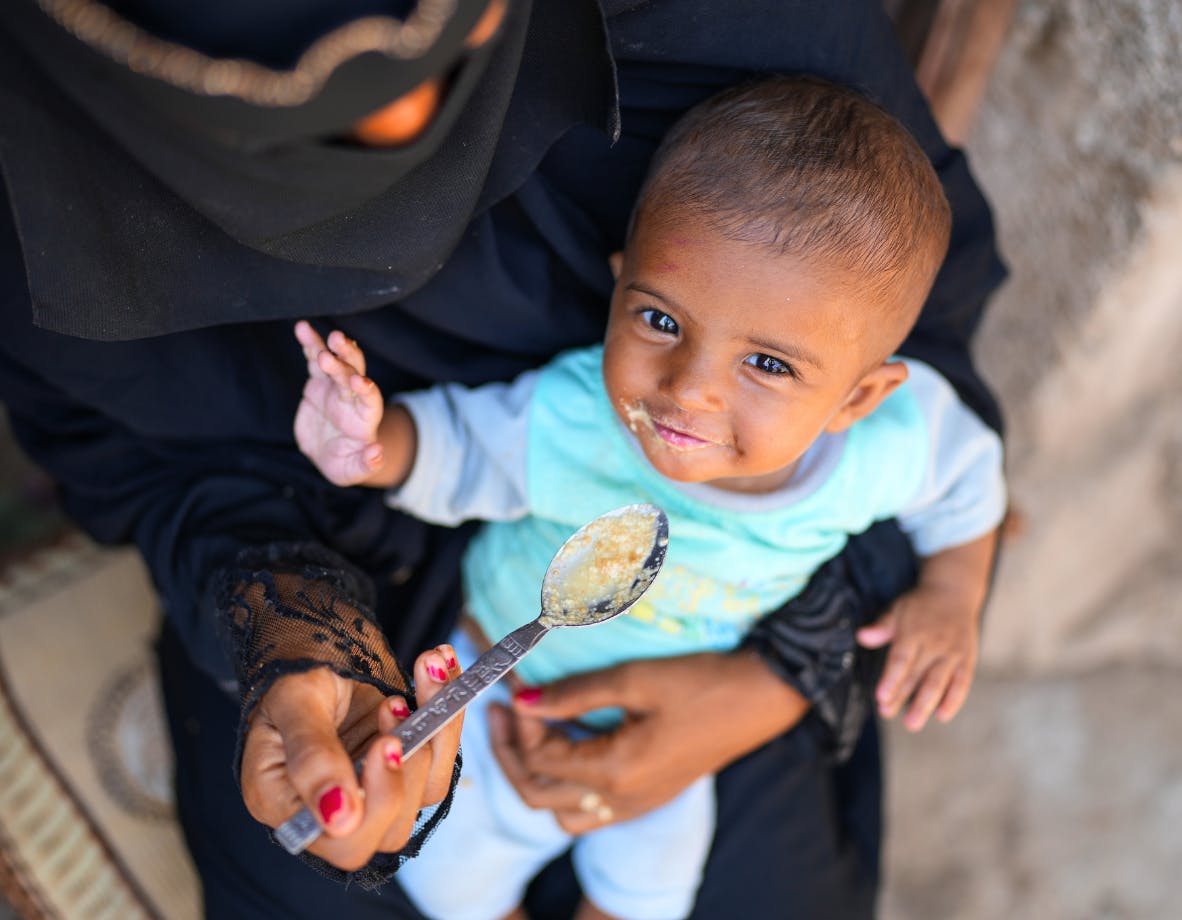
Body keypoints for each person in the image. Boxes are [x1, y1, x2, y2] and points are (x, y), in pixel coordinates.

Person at [0, 1, 1007, 917]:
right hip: (361, 566)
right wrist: (303, 641)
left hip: (734, 624)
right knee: (352, 864)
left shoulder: (749, 53)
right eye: (299, 147)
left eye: (435, 76)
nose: (400, 139)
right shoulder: (46, 163)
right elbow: (157, 461)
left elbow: (933, 400)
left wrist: (768, 682)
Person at [293, 77, 1005, 920]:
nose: (686, 393)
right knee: (439, 879)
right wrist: (373, 444)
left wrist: (953, 593)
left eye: (768, 366)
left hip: (677, 728)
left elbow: (969, 480)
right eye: (662, 321)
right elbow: (460, 448)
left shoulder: (891, 447)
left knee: (653, 895)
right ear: (620, 285)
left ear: (858, 399)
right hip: (497, 700)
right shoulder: (583, 422)